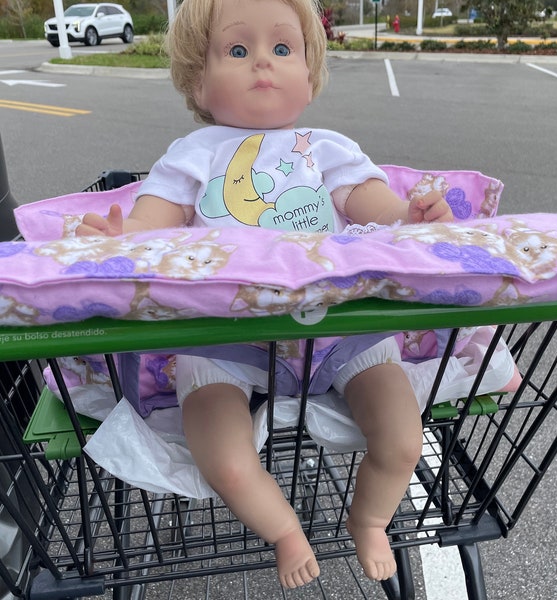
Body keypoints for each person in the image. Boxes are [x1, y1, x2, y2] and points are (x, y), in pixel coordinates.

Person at [76, 0, 453, 589]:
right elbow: (153, 219)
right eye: (237, 49)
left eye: (282, 49)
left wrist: (412, 214)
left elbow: (371, 208)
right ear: (197, 79)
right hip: (224, 333)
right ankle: (283, 529)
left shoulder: (326, 148)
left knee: (404, 440)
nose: (263, 64)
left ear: (310, 71)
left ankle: (371, 517)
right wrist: (118, 235)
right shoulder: (193, 155)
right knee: (222, 454)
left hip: (336, 328)